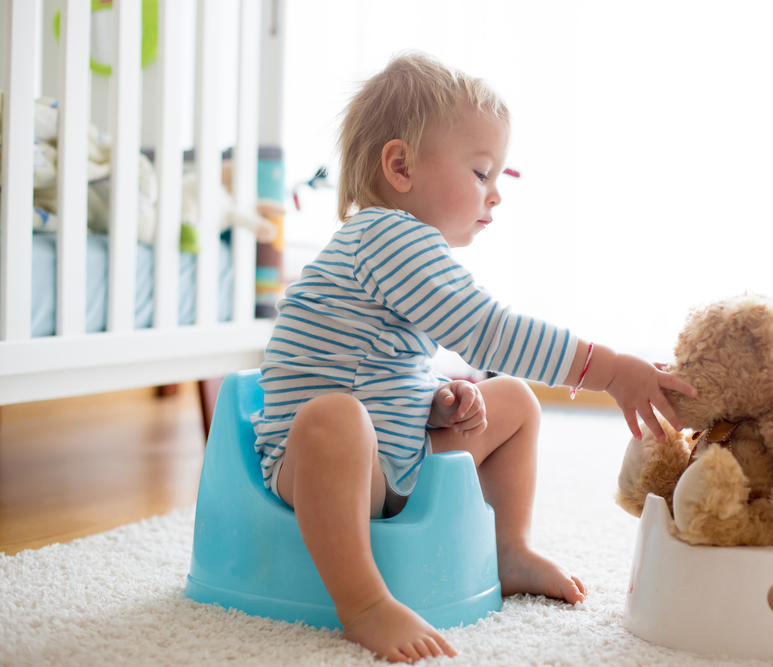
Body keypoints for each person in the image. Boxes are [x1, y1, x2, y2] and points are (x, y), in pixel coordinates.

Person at [251, 52, 697, 663]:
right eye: (482, 172)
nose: (495, 195)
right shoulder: (385, 237)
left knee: (509, 398)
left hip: (392, 457)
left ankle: (506, 548)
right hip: (318, 467)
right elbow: (488, 331)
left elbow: (386, 364)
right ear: (401, 166)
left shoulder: (409, 248)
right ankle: (362, 603)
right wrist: (611, 370)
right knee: (337, 417)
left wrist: (436, 402)